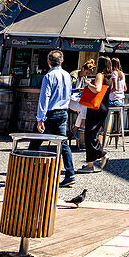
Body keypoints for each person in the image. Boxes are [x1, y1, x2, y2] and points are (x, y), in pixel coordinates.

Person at [36, 50, 76, 188]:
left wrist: (40, 118)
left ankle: (30, 170)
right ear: (61, 61)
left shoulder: (48, 76)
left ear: (48, 62)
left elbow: (44, 98)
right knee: (63, 143)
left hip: (51, 113)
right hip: (63, 111)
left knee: (36, 142)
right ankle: (70, 173)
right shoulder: (67, 76)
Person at [81, 56, 111, 172]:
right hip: (103, 107)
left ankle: (102, 154)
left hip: (95, 108)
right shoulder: (109, 76)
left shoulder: (99, 75)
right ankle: (90, 164)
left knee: (90, 134)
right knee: (91, 134)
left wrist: (88, 83)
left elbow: (97, 89)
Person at [108, 58, 126, 128]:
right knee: (118, 115)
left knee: (101, 109)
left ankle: (104, 131)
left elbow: (115, 88)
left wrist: (108, 92)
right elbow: (125, 88)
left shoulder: (114, 73)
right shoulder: (122, 74)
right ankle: (117, 131)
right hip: (121, 101)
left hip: (114, 101)